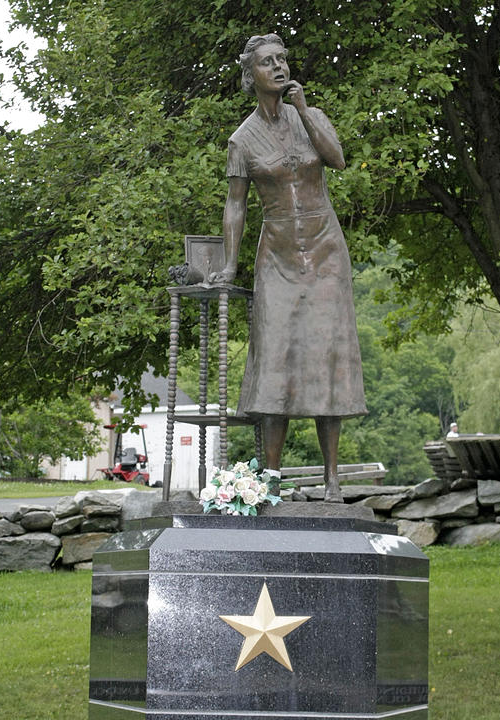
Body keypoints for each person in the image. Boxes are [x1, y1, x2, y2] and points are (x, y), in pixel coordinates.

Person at [210, 34, 366, 502]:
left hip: (325, 250)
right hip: (276, 253)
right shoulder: (241, 139)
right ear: (250, 75)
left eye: (282, 60)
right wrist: (229, 265)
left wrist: (304, 112)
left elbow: (337, 159)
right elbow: (235, 206)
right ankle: (271, 481)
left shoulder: (311, 117)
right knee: (275, 358)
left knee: (328, 358)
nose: (278, 68)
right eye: (267, 63)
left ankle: (332, 480)